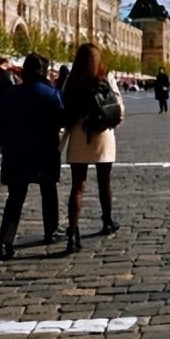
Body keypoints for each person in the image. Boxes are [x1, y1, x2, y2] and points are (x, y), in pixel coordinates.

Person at [0, 54, 65, 260]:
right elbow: (61, 119)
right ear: (43, 71)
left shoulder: (10, 94)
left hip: (15, 150)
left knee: (15, 197)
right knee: (48, 191)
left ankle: (5, 240)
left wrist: (5, 141)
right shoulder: (51, 94)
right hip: (44, 150)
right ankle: (51, 231)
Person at [63, 43, 124, 252]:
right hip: (102, 134)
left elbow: (64, 109)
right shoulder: (105, 78)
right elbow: (118, 107)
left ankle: (72, 233)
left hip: (79, 135)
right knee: (104, 181)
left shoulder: (71, 82)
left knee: (77, 186)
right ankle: (107, 221)